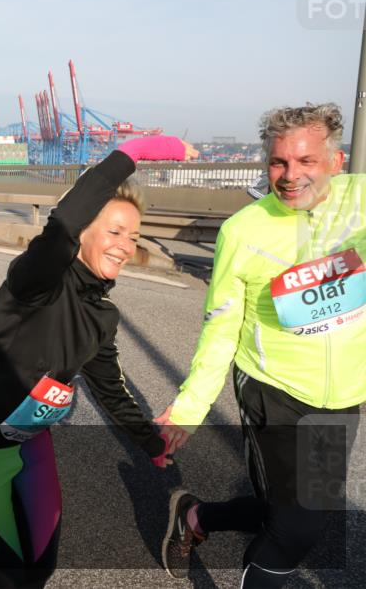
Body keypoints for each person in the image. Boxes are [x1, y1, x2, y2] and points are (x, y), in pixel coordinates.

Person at [0, 136, 196, 589]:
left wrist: (150, 444)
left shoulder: (103, 314)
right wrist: (136, 151)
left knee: (39, 569)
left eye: (133, 237)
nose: (124, 246)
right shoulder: (36, 282)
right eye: (114, 232)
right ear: (84, 233)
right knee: (6, 575)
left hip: (31, 445)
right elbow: (60, 225)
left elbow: (110, 387)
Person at [156, 104, 364, 587]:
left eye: (306, 161)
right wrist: (190, 405)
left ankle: (196, 517)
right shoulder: (242, 230)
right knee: (295, 529)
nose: (291, 176)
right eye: (278, 162)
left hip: (342, 394)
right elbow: (221, 327)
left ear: (335, 161)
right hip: (272, 387)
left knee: (294, 508)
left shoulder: (361, 204)